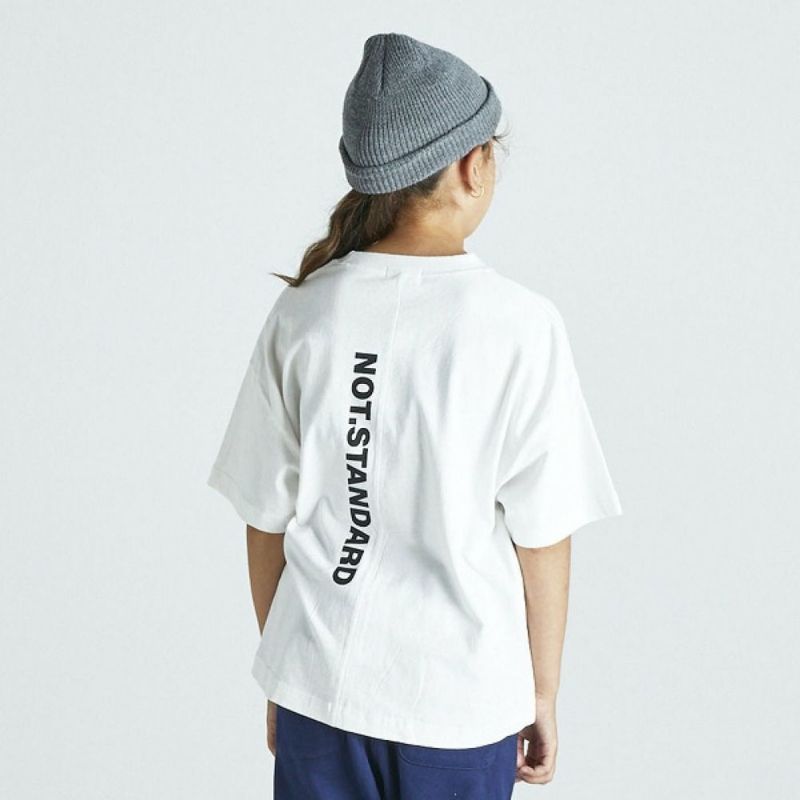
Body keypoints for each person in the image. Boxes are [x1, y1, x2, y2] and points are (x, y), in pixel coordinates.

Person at [206, 31, 623, 800]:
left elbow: (264, 520)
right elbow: (542, 536)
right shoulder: (519, 325)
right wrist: (542, 694)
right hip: (460, 701)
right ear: (472, 165)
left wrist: (287, 669)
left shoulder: (305, 312)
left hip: (319, 688)